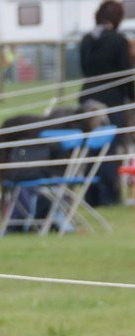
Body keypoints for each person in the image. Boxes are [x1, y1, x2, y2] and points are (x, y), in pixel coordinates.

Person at [79, 0, 134, 206]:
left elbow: (84, 69)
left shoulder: (86, 39)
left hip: (88, 99)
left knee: (89, 149)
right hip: (112, 100)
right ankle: (108, 196)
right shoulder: (119, 41)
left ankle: (91, 194)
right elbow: (126, 75)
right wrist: (131, 97)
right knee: (109, 149)